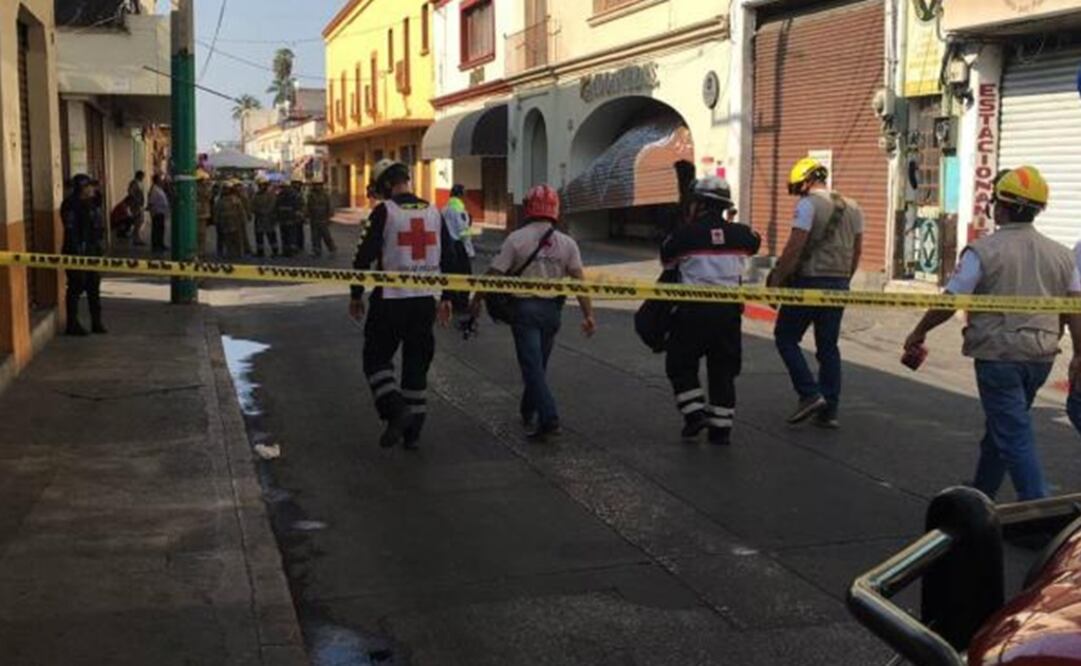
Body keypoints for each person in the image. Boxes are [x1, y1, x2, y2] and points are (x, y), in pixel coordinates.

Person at [905, 166, 1081, 501]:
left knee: (1013, 431)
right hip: (1041, 357)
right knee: (1003, 424)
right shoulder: (1062, 255)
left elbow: (951, 300)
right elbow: (1075, 310)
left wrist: (919, 331)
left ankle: (1036, 510)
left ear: (1001, 206)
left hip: (999, 356)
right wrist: (1080, 354)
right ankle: (983, 490)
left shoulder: (983, 250)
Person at [349, 160, 464, 449]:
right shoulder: (433, 212)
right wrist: (447, 297)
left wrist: (356, 293)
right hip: (424, 301)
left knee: (375, 358)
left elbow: (363, 256)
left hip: (390, 301)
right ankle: (413, 432)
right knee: (416, 364)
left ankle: (395, 410)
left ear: (387, 185)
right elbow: (450, 258)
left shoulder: (384, 212)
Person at [470, 184, 597, 441]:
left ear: (528, 208)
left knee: (532, 366)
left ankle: (548, 418)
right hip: (552, 312)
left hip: (525, 311)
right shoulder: (567, 243)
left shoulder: (516, 239)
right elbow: (579, 282)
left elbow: (494, 275)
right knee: (538, 366)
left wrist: (476, 299)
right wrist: (589, 315)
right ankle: (528, 409)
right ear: (555, 210)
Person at [660, 176, 761, 445]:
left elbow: (666, 261)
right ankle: (721, 429)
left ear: (700, 205)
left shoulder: (682, 236)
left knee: (680, 364)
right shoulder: (742, 235)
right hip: (728, 315)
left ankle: (694, 414)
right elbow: (755, 242)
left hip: (692, 313)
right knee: (724, 370)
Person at [767, 157, 864, 428]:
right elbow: (857, 251)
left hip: (809, 282)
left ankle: (809, 394)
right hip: (840, 283)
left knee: (785, 337)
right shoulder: (855, 207)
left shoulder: (808, 205)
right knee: (828, 347)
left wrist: (776, 279)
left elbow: (795, 247)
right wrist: (844, 279)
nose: (799, 193)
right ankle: (829, 410)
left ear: (807, 182)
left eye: (799, 188)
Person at [61, 174, 106, 335]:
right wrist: (77, 252)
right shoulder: (71, 205)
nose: (92, 189)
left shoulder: (91, 203)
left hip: (91, 252)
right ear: (81, 187)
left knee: (93, 286)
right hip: (76, 252)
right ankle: (72, 324)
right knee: (76, 286)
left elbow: (96, 226)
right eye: (89, 186)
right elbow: (71, 230)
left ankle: (96, 322)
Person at [442, 184, 475, 316]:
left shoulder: (444, 209)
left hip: (447, 247)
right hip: (459, 247)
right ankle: (462, 304)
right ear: (461, 195)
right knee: (465, 276)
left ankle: (452, 301)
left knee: (450, 275)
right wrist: (469, 250)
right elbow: (463, 231)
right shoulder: (459, 209)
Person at [214, 180, 248, 259]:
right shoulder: (220, 200)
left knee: (237, 239)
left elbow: (241, 210)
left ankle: (239, 254)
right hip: (224, 223)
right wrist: (216, 221)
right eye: (225, 189)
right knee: (227, 239)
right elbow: (216, 211)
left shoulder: (235, 199)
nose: (226, 190)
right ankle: (230, 254)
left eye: (227, 189)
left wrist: (243, 220)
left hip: (235, 222)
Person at [307, 178, 337, 257]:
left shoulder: (325, 195)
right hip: (314, 218)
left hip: (323, 218)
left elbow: (330, 206)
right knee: (315, 236)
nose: (317, 187)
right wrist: (306, 215)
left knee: (326, 235)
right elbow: (308, 206)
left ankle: (332, 249)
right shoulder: (311, 195)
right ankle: (316, 250)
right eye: (316, 185)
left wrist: (329, 216)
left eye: (319, 185)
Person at [275, 179, 304, 257]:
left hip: (291, 219)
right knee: (284, 236)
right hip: (283, 219)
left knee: (292, 236)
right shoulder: (280, 195)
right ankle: (285, 251)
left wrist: (299, 217)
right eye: (282, 187)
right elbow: (276, 207)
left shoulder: (294, 195)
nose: (283, 189)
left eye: (284, 187)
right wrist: (277, 217)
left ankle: (292, 251)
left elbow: (299, 207)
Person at [252, 177, 279, 257]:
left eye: (263, 185)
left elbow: (272, 205)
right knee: (259, 236)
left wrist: (265, 212)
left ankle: (275, 251)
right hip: (259, 218)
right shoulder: (256, 195)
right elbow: (252, 205)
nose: (261, 187)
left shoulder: (271, 194)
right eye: (260, 185)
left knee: (271, 235)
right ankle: (260, 251)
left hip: (269, 218)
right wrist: (257, 211)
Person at [147, 173, 170, 253]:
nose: (161, 180)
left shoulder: (159, 189)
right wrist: (152, 213)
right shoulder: (154, 190)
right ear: (157, 180)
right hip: (157, 212)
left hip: (161, 212)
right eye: (160, 179)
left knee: (161, 229)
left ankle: (160, 244)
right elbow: (151, 202)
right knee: (156, 229)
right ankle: (156, 245)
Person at [195, 169, 213, 257]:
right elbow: (208, 196)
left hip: (199, 212)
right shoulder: (202, 188)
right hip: (201, 213)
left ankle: (200, 250)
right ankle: (200, 251)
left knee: (200, 233)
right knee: (201, 234)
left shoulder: (195, 187)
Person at [128, 170, 146, 246]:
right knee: (138, 221)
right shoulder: (134, 183)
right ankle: (136, 239)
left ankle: (137, 237)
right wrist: (136, 200)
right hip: (136, 205)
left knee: (140, 221)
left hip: (139, 205)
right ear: (139, 176)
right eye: (142, 176)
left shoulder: (138, 183)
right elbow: (131, 192)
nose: (143, 178)